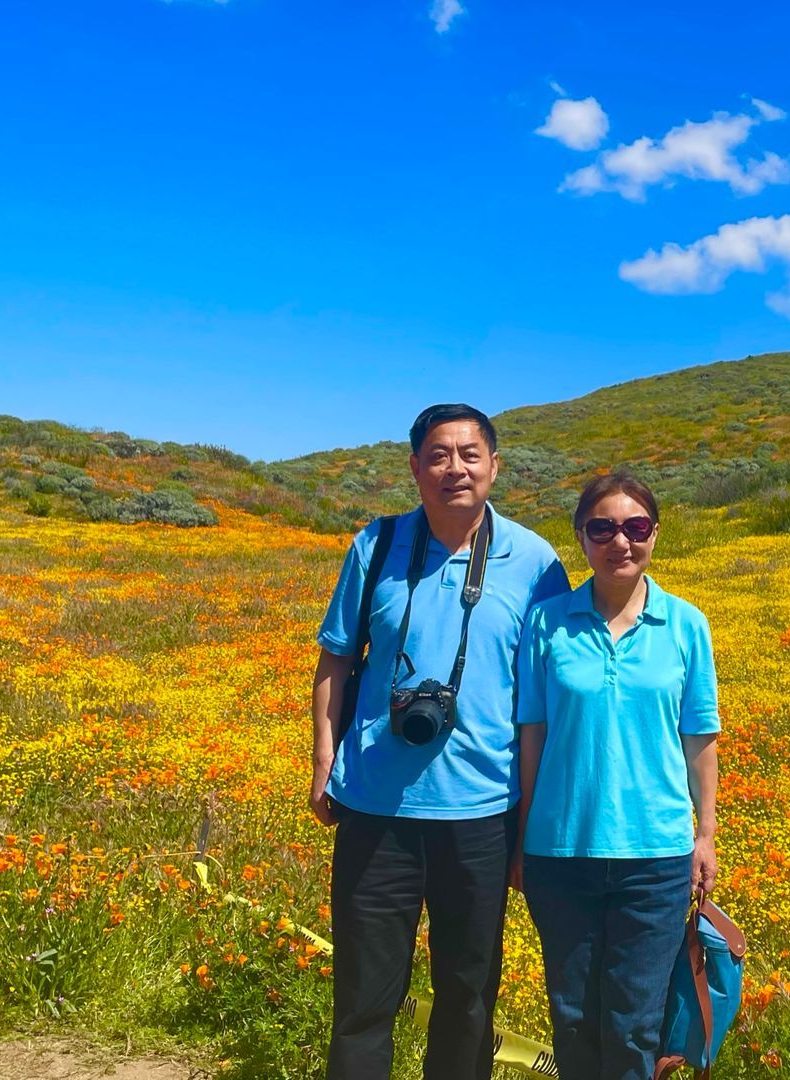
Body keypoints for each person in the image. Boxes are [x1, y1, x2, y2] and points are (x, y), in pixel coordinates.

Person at [311, 403, 571, 1080]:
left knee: (468, 998)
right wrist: (323, 762)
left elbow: (547, 697)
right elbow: (336, 659)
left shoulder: (535, 562)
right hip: (375, 808)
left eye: (469, 454)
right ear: (415, 467)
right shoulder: (376, 546)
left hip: (482, 815)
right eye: (438, 455)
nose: (455, 468)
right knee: (363, 999)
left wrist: (534, 820)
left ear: (494, 466)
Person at [514, 473, 721, 1080]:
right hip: (560, 853)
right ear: (581, 537)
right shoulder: (546, 623)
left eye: (636, 527)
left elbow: (700, 740)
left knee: (634, 1025)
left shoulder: (686, 625)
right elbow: (532, 736)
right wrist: (521, 839)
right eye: (602, 528)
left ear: (655, 534)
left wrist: (705, 834)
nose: (620, 542)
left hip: (656, 859)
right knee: (572, 1015)